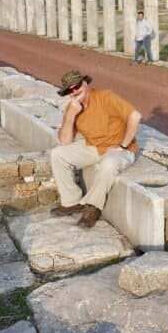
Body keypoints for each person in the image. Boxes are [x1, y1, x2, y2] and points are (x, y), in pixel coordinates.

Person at [50, 70, 141, 227]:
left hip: (120, 149)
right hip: (94, 147)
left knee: (108, 164)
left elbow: (135, 116)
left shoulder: (105, 97)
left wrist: (123, 145)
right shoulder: (73, 107)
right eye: (69, 90)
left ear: (85, 83)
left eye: (77, 86)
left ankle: (92, 207)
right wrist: (71, 113)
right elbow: (65, 141)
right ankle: (72, 201)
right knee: (57, 154)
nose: (74, 92)